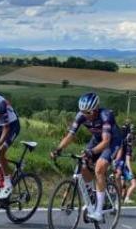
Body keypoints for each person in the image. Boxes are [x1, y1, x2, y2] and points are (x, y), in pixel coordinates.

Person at [50, 92, 123, 221]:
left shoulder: (106, 115)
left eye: (88, 112)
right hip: (96, 139)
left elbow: (106, 141)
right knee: (83, 164)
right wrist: (58, 149)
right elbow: (70, 135)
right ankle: (92, 196)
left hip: (112, 141)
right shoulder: (81, 115)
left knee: (99, 168)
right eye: (83, 112)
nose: (85, 115)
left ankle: (99, 212)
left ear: (95, 109)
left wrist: (92, 152)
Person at [114, 122, 136, 204]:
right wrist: (131, 172)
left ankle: (119, 198)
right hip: (122, 164)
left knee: (121, 182)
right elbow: (127, 160)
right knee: (133, 183)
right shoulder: (128, 145)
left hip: (117, 162)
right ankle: (122, 198)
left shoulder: (120, 140)